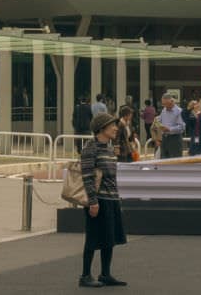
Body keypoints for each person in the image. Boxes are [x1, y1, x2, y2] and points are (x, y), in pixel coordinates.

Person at [77, 112, 127, 288]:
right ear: (101, 128)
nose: (116, 128)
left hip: (111, 199)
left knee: (109, 237)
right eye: (112, 125)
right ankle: (85, 275)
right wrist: (93, 201)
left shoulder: (109, 148)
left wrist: (117, 199)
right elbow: (87, 176)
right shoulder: (91, 147)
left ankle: (105, 274)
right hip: (99, 200)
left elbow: (111, 177)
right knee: (93, 236)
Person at [155, 92, 185, 160]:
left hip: (175, 139)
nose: (164, 106)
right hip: (164, 139)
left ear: (171, 101)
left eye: (166, 104)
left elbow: (182, 127)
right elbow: (159, 121)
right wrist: (158, 124)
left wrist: (169, 129)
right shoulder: (164, 110)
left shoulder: (179, 111)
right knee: (163, 160)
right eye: (163, 104)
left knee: (175, 161)